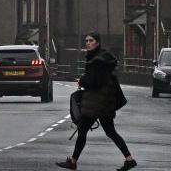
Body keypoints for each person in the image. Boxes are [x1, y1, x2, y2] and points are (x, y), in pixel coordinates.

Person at [57, 32, 135, 171]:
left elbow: (95, 81)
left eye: (91, 40)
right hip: (105, 101)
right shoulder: (102, 58)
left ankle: (73, 162)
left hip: (96, 102)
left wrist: (82, 81)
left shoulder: (97, 61)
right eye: (86, 40)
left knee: (83, 130)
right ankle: (129, 159)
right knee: (110, 132)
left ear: (97, 43)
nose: (87, 43)